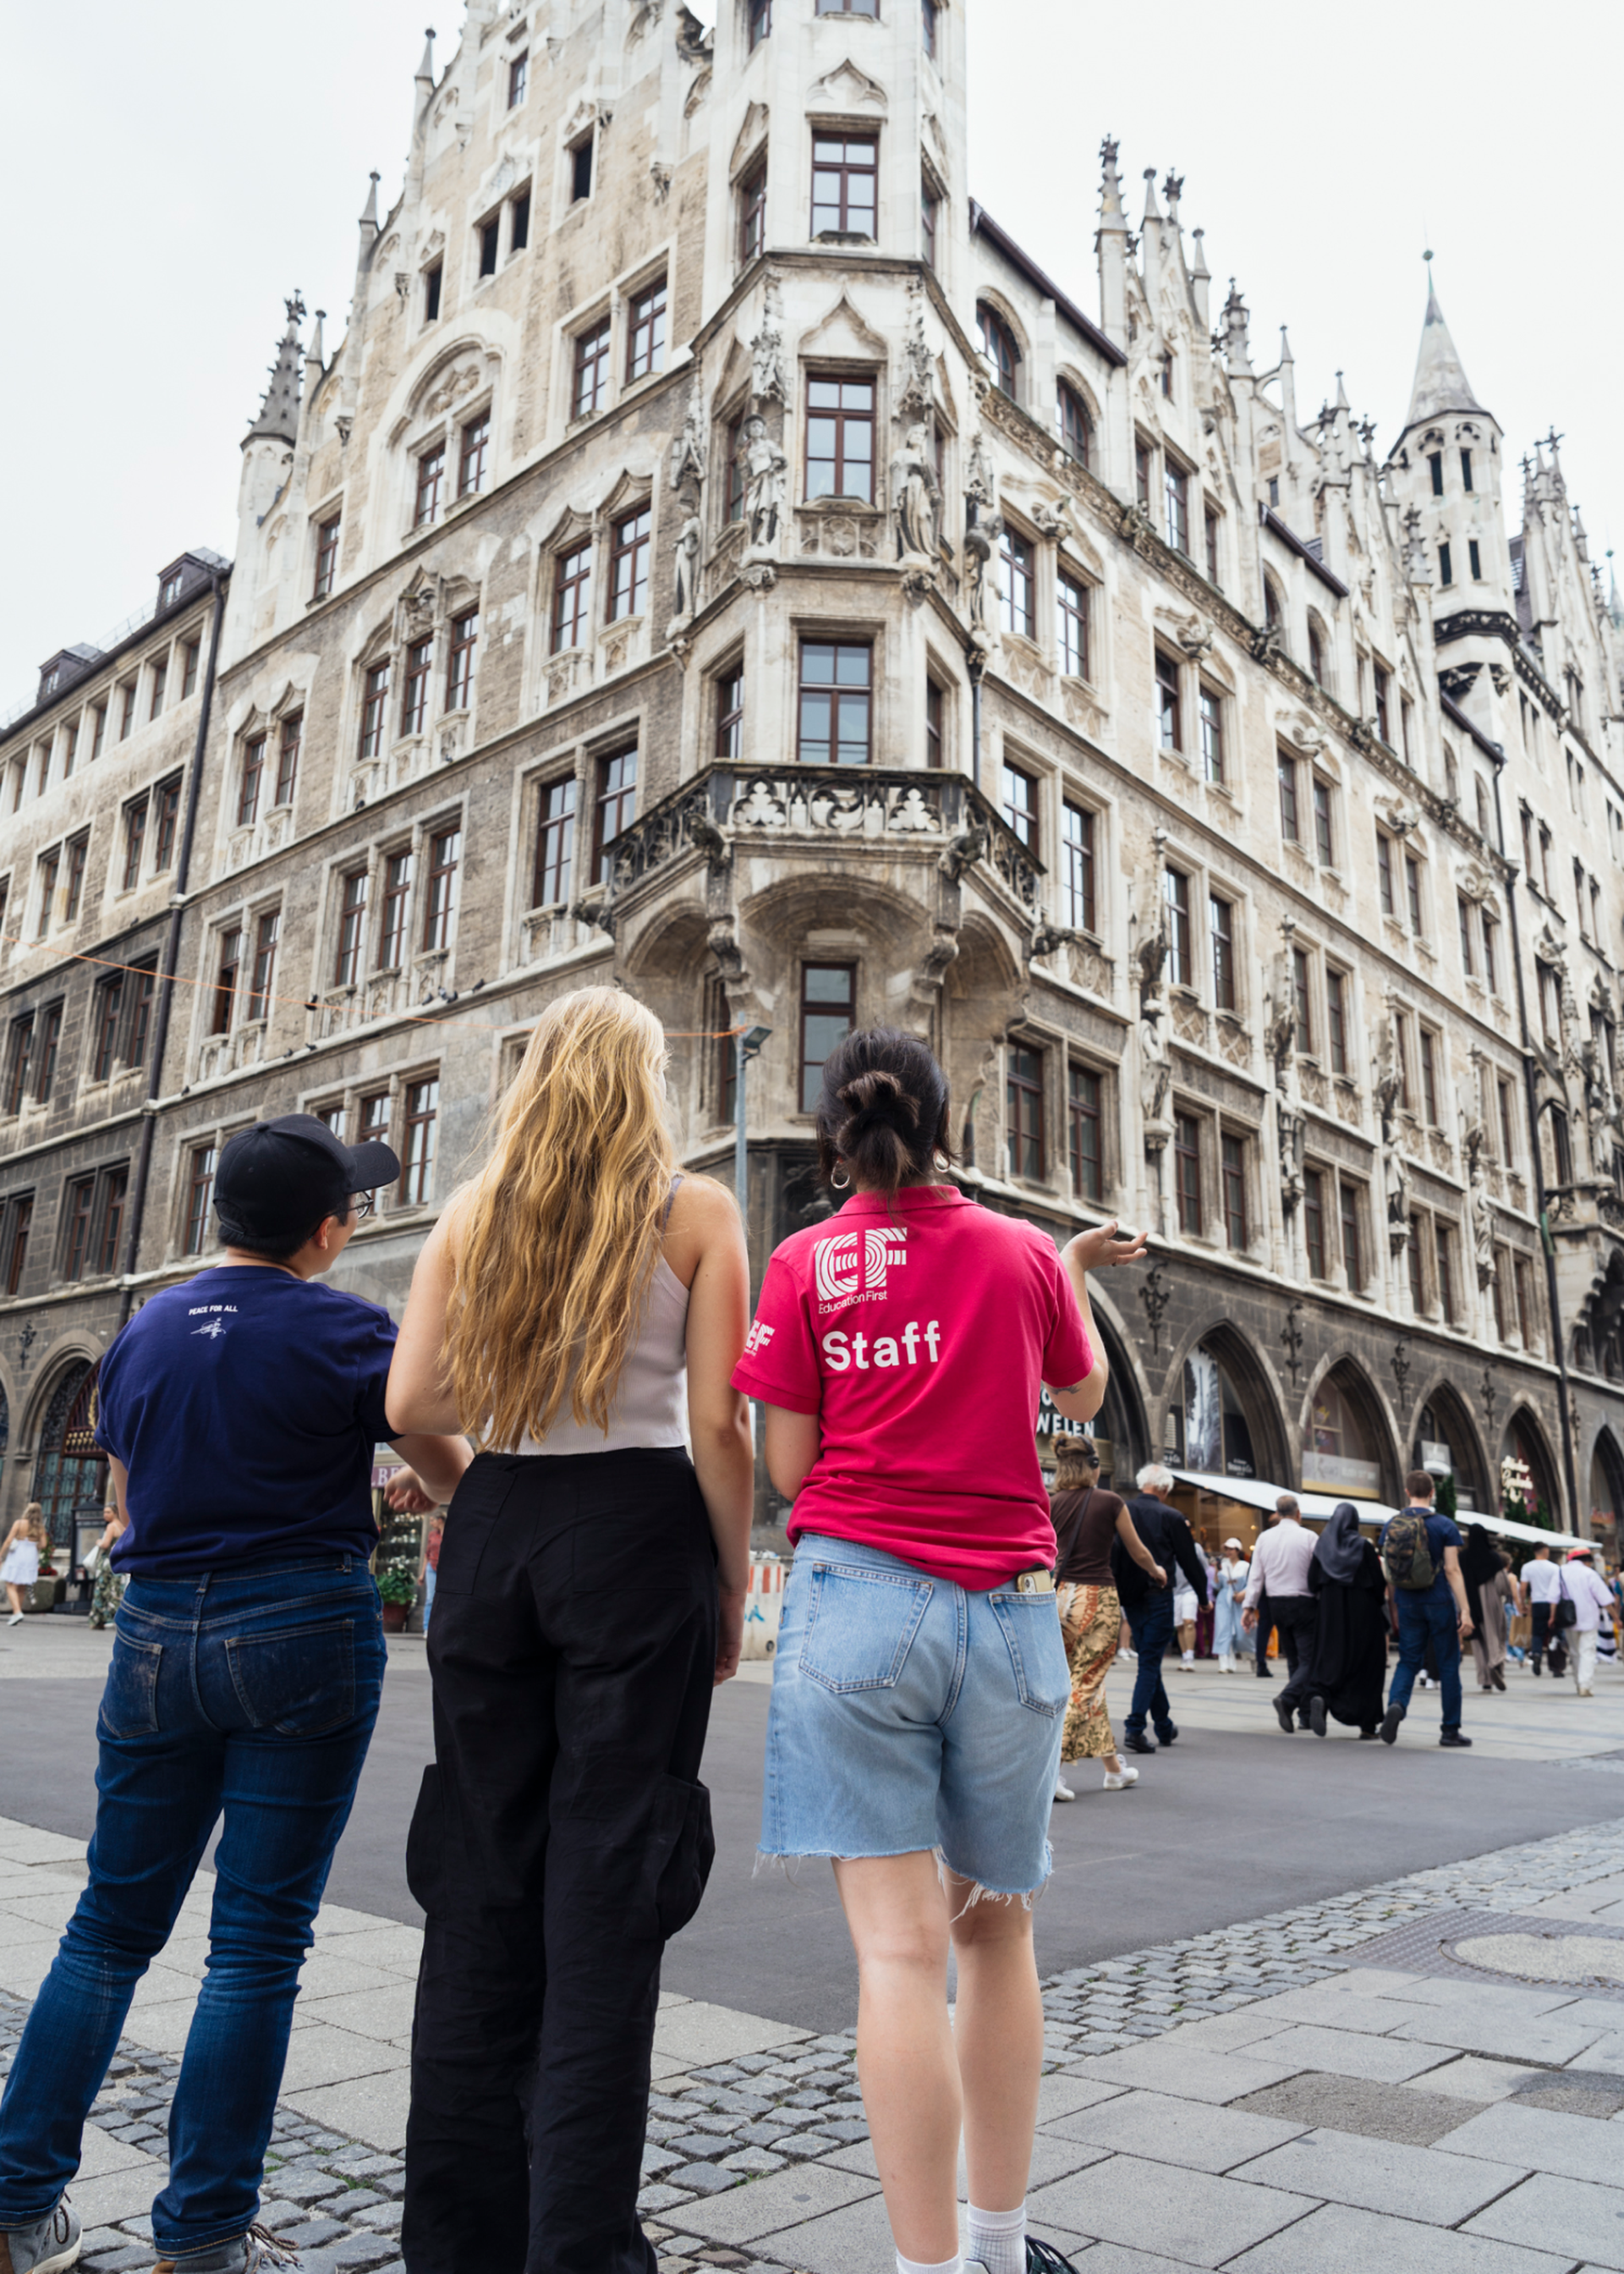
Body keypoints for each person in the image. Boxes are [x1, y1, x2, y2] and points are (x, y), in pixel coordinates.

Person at [0, 1113, 470, 2274]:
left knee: (109, 1923)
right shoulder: (349, 1327)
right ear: (325, 1230)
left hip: (157, 1630)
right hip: (302, 1622)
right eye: (349, 1208)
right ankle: (205, 2237)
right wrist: (418, 1484)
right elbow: (446, 1449)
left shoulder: (142, 1334)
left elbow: (129, 1484)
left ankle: (14, 2205)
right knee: (256, 1942)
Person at [732, 1026, 1147, 2274]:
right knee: (995, 1930)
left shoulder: (803, 1260)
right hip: (1007, 1611)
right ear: (947, 1120)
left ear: (835, 1133)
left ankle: (927, 2271)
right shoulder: (1020, 1255)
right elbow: (1079, 1401)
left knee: (897, 1956)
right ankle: (1003, 2245)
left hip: (857, 1601)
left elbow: (789, 1468)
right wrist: (1067, 1261)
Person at [384, 986, 755, 2274]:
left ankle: (457, 2241)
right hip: (637, 1525)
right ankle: (579, 2247)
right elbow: (717, 1427)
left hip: (498, 1519)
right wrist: (729, 1573)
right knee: (608, 1885)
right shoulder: (695, 1207)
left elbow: (414, 1396)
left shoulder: (471, 1211)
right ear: (645, 1080)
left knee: (479, 1877)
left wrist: (471, 1495)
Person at [1050, 1436, 1165, 1799]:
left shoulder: (1050, 1502)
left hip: (1057, 1597)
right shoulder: (1110, 1501)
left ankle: (1114, 1770)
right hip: (1095, 1597)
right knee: (1085, 1684)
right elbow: (1137, 1550)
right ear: (1093, 1466)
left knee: (1084, 1682)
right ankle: (1049, 1773)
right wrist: (1157, 1571)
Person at [1114, 1466, 1210, 1754]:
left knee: (1150, 1660)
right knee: (1149, 1663)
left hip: (1130, 1597)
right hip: (1158, 1595)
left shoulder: (1122, 1510)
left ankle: (1164, 1725)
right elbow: (1190, 1562)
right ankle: (1134, 1727)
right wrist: (1203, 1597)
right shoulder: (1172, 1517)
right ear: (1165, 1490)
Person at [1380, 1469, 1474, 1747]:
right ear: (1432, 1492)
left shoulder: (1391, 1524)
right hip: (1438, 1600)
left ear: (1407, 1492)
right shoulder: (1444, 1525)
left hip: (1407, 1602)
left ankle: (1397, 1704)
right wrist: (1465, 1610)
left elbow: (1389, 1569)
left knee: (1408, 1661)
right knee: (1447, 1664)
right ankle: (1449, 1730)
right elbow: (1453, 1570)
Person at [1281, 1503, 1388, 1738]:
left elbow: (1312, 1582)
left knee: (1329, 1661)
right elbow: (1379, 1585)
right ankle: (1367, 1726)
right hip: (1364, 1617)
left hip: (1330, 1616)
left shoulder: (1323, 1548)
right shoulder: (1363, 1547)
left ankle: (1321, 1697)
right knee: (1366, 1666)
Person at [1242, 1494, 1319, 1733]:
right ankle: (1288, 1700)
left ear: (1277, 1513)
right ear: (1298, 1514)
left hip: (1276, 1604)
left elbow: (1256, 1577)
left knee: (1294, 1659)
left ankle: (1303, 1714)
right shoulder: (1309, 1537)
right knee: (1309, 1659)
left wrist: (1248, 1607)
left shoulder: (1265, 1538)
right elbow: (1318, 1574)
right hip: (1304, 1602)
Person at [1462, 1524, 1520, 1693]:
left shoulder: (1463, 1557)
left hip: (1470, 1602)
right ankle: (1495, 1663)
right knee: (1496, 1635)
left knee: (1478, 1641)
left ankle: (1485, 1680)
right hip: (1491, 1601)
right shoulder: (1493, 1558)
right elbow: (1503, 1585)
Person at [1562, 1545, 1615, 1696]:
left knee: (1574, 1651)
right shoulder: (1590, 1574)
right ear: (1587, 1560)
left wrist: (1552, 1617)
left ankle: (1579, 1682)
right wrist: (1615, 1617)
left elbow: (1553, 1598)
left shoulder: (1560, 1571)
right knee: (1587, 1651)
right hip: (1589, 1618)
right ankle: (1585, 1685)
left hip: (1568, 1617)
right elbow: (1605, 1600)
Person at [1520, 1538, 1561, 1675]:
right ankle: (1556, 1667)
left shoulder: (1527, 1567)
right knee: (1554, 1634)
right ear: (1545, 1551)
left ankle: (1536, 1654)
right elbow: (1559, 1588)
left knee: (1537, 1633)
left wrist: (1523, 1603)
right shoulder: (1554, 1568)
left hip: (1537, 1602)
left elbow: (1523, 1588)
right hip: (1552, 1603)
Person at [0, 1506, 47, 1626]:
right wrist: (33, 1544)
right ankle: (16, 1613)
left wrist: (1, 1555)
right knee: (21, 1588)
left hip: (18, 1554)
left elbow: (9, 1540)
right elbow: (43, 1545)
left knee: (10, 1584)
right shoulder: (40, 1527)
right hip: (31, 1555)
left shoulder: (19, 1523)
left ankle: (17, 1612)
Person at [85, 1503, 128, 1629]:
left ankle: (100, 1619)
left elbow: (105, 1545)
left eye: (108, 1512)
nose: (105, 1515)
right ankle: (113, 1617)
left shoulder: (111, 1526)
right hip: (117, 1563)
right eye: (104, 1512)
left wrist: (99, 1542)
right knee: (115, 1590)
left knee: (103, 1589)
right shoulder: (123, 1527)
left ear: (115, 1513)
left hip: (107, 1562)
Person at [1212, 1536, 1249, 1671]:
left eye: (1231, 1549)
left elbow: (1250, 1584)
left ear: (1238, 1550)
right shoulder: (1223, 1564)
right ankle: (1224, 1663)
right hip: (1224, 1599)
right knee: (1223, 1629)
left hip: (1239, 1600)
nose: (1228, 1551)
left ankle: (1241, 1659)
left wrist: (1242, 1594)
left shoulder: (1246, 1566)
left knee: (1239, 1632)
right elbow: (1216, 1585)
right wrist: (1216, 1570)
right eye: (1226, 1549)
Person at [416, 1511, 445, 1634]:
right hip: (431, 1568)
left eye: (432, 1520)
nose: (431, 1523)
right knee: (429, 1599)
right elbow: (426, 1555)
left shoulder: (450, 1533)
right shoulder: (432, 1535)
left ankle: (441, 1627)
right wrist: (422, 1574)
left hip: (445, 1568)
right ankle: (427, 1628)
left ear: (440, 1520)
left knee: (444, 1598)